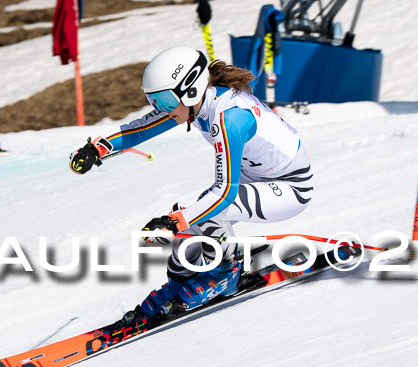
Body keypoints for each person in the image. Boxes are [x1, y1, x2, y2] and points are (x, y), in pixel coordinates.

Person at [69, 46, 313, 326]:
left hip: (290, 187)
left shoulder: (229, 117)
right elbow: (141, 128)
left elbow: (224, 193)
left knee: (204, 210)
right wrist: (98, 149)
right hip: (258, 177)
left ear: (191, 90)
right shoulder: (195, 105)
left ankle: (224, 275)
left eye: (162, 100)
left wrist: (176, 222)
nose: (159, 109)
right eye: (153, 101)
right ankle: (181, 280)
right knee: (191, 213)